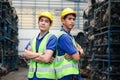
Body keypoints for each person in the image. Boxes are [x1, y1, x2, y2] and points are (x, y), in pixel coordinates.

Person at [23, 11, 57, 80]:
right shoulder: (33, 39)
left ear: (50, 25)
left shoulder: (52, 38)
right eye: (41, 20)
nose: (43, 23)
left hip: (46, 77)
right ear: (38, 23)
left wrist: (31, 55)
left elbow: (46, 59)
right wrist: (42, 54)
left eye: (46, 21)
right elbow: (25, 54)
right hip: (32, 76)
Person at [54, 8, 84, 80]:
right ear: (63, 20)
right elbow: (77, 57)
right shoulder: (64, 37)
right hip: (66, 75)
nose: (72, 21)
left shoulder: (70, 37)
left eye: (74, 19)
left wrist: (78, 52)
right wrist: (79, 51)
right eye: (69, 19)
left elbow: (80, 52)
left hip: (72, 74)